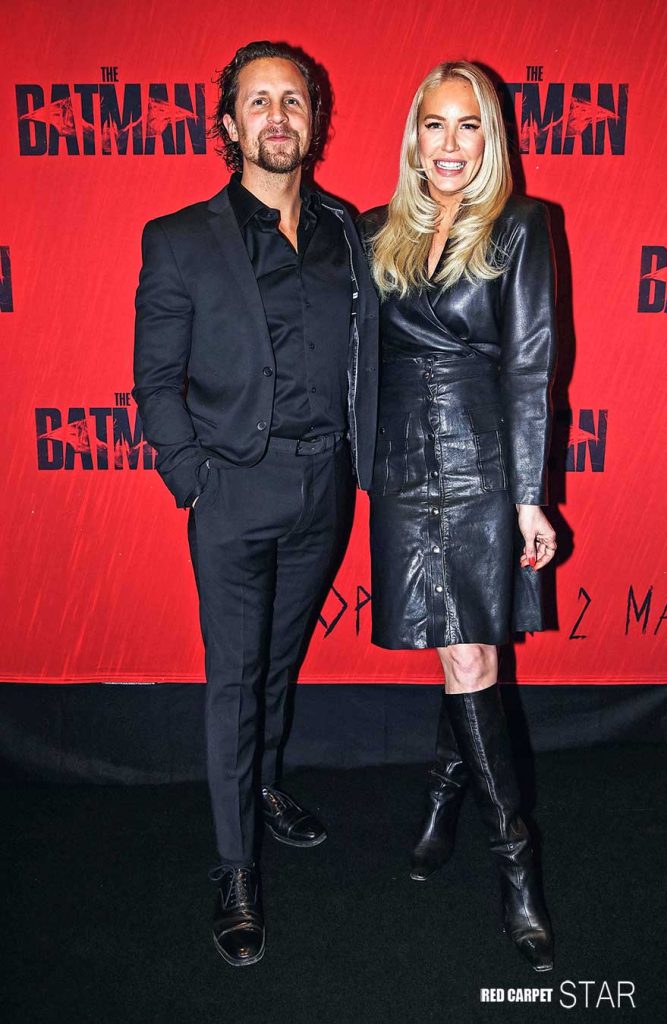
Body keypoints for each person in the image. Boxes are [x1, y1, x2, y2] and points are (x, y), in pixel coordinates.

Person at [133, 40, 378, 967]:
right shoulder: (179, 238)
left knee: (279, 661)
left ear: (314, 121)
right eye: (259, 101)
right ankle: (236, 869)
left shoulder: (348, 230)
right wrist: (193, 478)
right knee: (234, 679)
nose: (278, 116)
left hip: (325, 487)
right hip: (234, 489)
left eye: (293, 100)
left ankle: (265, 783)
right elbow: (154, 380)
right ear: (230, 124)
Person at [358, 60, 558, 972]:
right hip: (402, 462)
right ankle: (445, 792)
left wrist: (528, 497)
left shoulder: (519, 226)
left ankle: (516, 864)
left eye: (467, 124)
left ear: (490, 138)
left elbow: (529, 365)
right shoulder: (377, 232)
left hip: (479, 458)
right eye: (433, 124)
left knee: (472, 653)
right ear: (414, 137)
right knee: (455, 646)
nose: (449, 143)